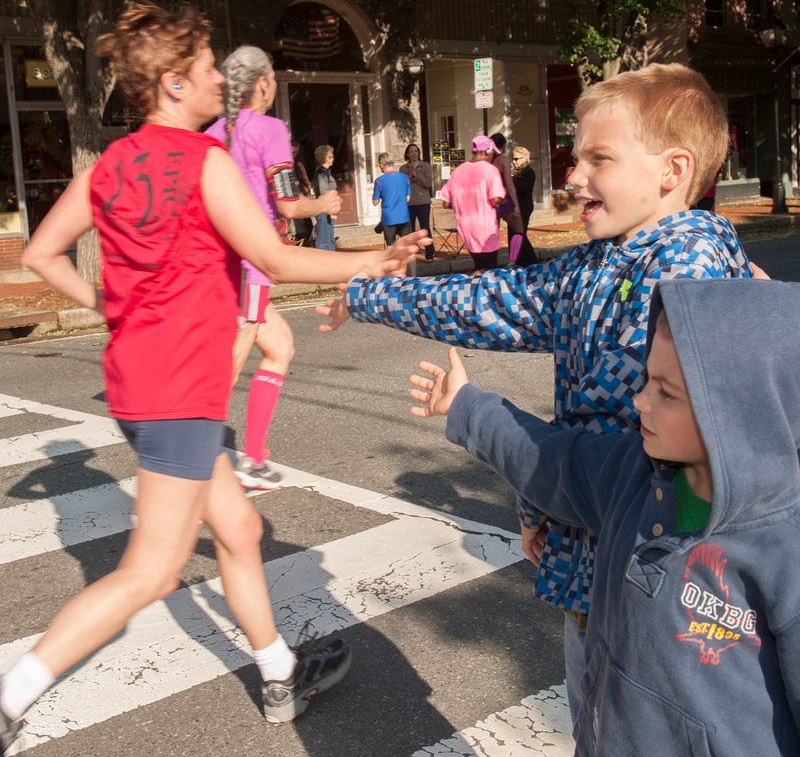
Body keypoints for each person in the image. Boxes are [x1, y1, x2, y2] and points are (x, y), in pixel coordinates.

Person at [0, 2, 425, 757]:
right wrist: (372, 260)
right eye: (208, 70)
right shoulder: (201, 160)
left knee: (237, 527)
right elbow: (273, 259)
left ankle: (279, 674)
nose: (220, 81)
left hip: (143, 382)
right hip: (178, 390)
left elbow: (41, 253)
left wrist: (114, 307)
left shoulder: (107, 165)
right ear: (174, 83)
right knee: (152, 570)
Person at [316, 63, 754, 723]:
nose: (573, 175)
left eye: (597, 158)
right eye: (576, 156)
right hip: (600, 568)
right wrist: (369, 292)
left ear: (672, 170)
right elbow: (487, 301)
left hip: (655, 588)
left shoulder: (685, 269)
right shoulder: (597, 264)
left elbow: (631, 442)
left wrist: (537, 492)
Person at [409, 278, 800, 756]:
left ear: (745, 411)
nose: (640, 401)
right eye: (647, 381)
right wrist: (470, 408)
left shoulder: (784, 545)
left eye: (667, 393)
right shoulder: (630, 471)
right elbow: (552, 459)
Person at [205, 46, 342, 490]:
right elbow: (286, 201)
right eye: (274, 80)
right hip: (252, 260)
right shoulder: (268, 129)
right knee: (231, 360)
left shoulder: (211, 131)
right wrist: (322, 204)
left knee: (279, 345)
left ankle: (255, 457)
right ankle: (195, 462)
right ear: (263, 84)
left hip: (219, 260)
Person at [437, 135, 505, 273]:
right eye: (493, 152)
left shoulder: (458, 171)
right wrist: (502, 199)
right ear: (487, 151)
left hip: (465, 227)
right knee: (489, 270)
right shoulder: (490, 170)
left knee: (479, 264)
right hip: (485, 227)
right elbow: (495, 199)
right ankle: (476, 286)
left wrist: (463, 203)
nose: (493, 156)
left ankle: (476, 290)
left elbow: (445, 202)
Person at [489, 133, 527, 259]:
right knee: (519, 230)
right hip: (505, 199)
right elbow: (509, 184)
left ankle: (491, 262)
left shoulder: (487, 161)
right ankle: (512, 262)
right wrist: (516, 205)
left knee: (493, 233)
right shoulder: (503, 160)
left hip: (490, 200)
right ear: (504, 146)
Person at [400, 143, 435, 262]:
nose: (414, 154)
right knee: (410, 230)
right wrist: (410, 176)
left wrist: (418, 175)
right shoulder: (403, 168)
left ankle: (430, 254)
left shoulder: (425, 166)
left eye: (416, 151)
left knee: (425, 228)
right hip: (409, 204)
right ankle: (411, 255)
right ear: (407, 154)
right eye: (411, 152)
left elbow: (428, 183)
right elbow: (402, 185)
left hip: (423, 202)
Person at [372, 152, 412, 246]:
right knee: (408, 247)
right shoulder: (405, 177)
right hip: (403, 216)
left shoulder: (379, 181)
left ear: (381, 165)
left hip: (389, 218)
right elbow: (408, 198)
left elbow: (375, 202)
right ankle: (411, 261)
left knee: (391, 248)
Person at [509, 145, 539, 267]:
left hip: (524, 207)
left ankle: (531, 261)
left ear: (525, 158)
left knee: (519, 234)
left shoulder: (528, 172)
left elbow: (520, 188)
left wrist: (509, 183)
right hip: (515, 207)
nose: (514, 161)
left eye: (517, 159)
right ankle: (519, 261)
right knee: (514, 234)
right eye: (513, 159)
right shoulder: (516, 172)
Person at [288, 140, 315, 246]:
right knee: (296, 218)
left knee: (305, 215)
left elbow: (303, 174)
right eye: (293, 152)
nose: (295, 154)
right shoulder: (283, 161)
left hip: (299, 192)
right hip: (289, 195)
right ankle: (300, 237)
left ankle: (308, 237)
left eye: (296, 152)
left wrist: (308, 185)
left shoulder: (297, 161)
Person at [313, 144, 337, 250]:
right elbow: (324, 191)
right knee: (323, 239)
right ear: (327, 158)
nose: (333, 158)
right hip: (323, 208)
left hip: (327, 207)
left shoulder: (326, 171)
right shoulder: (321, 172)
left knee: (329, 238)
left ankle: (332, 260)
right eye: (331, 156)